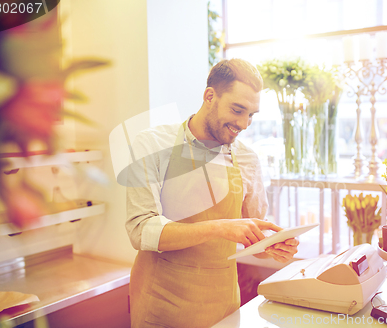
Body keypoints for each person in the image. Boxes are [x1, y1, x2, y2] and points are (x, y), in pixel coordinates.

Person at [126, 58, 299, 328]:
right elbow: (140, 230)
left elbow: (254, 238)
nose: (244, 123)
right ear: (209, 96)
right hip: (161, 304)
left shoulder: (247, 158)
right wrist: (220, 228)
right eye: (238, 109)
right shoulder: (152, 144)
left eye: (251, 114)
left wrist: (273, 247)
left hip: (223, 305)